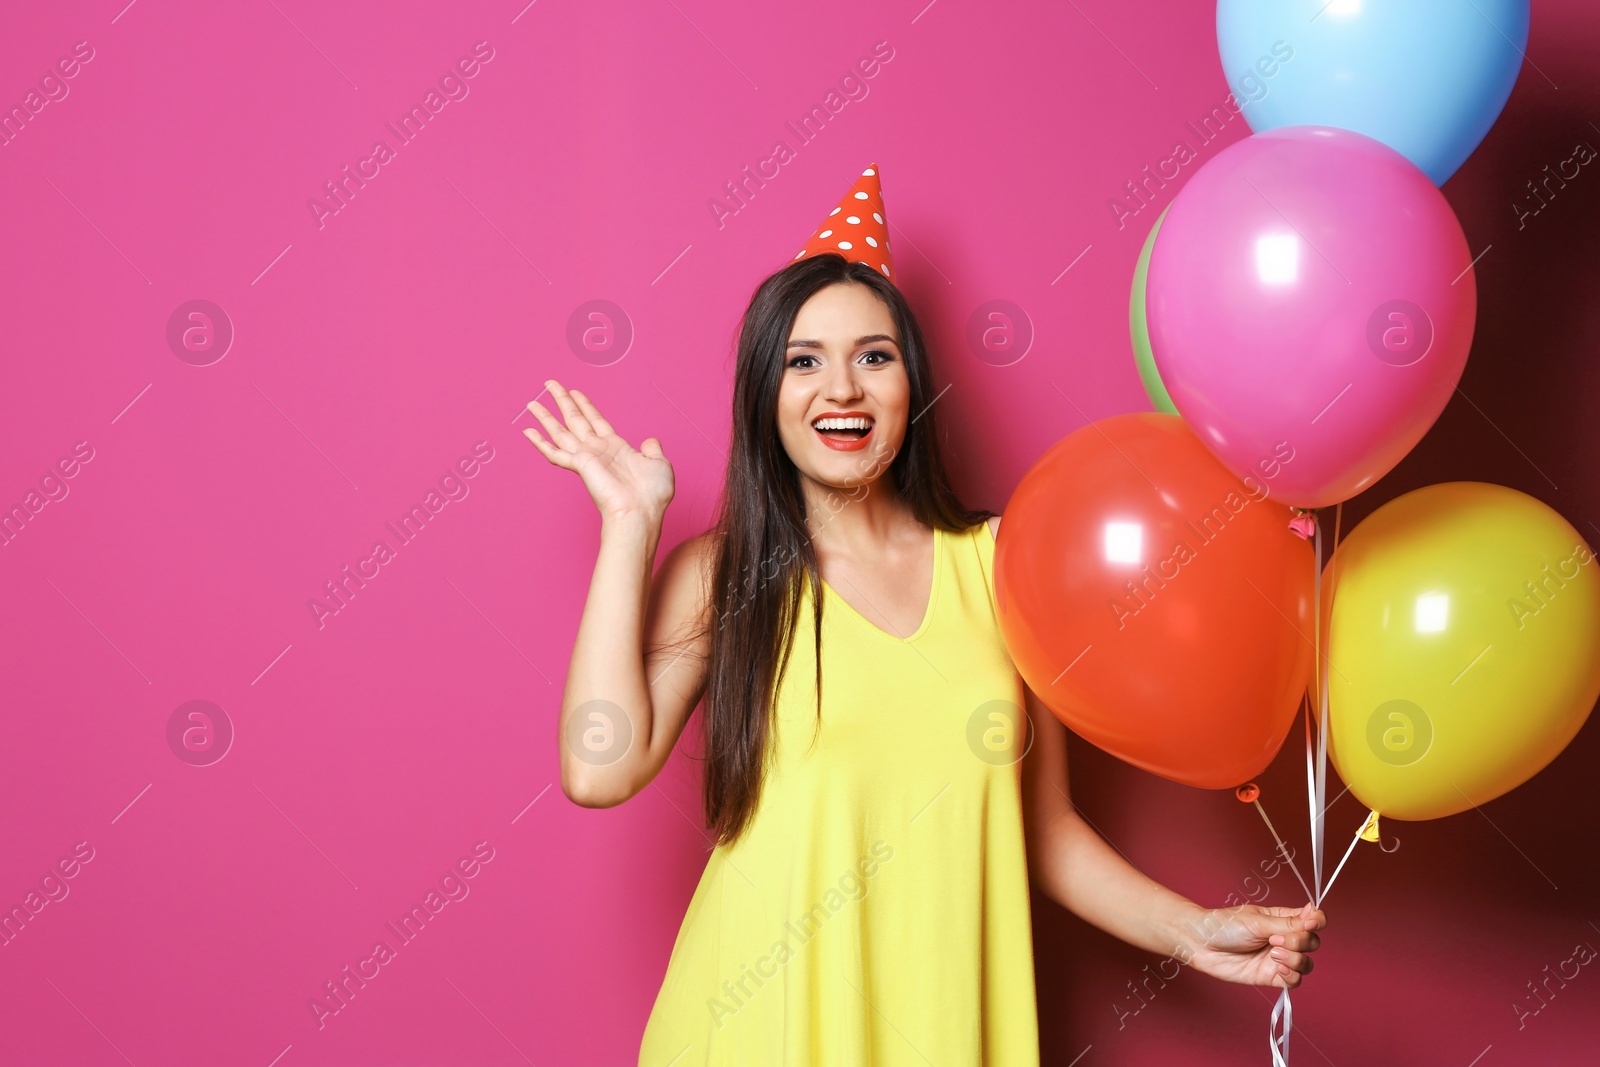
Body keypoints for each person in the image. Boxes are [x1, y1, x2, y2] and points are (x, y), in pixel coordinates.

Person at [522, 166, 1325, 1066]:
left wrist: (1192, 932)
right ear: (764, 394)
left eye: (874, 355)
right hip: (754, 1027)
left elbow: (1044, 831)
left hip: (944, 1023)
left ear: (912, 382)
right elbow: (598, 771)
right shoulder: (724, 576)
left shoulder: (1006, 565)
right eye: (802, 360)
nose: (843, 389)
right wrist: (631, 523)